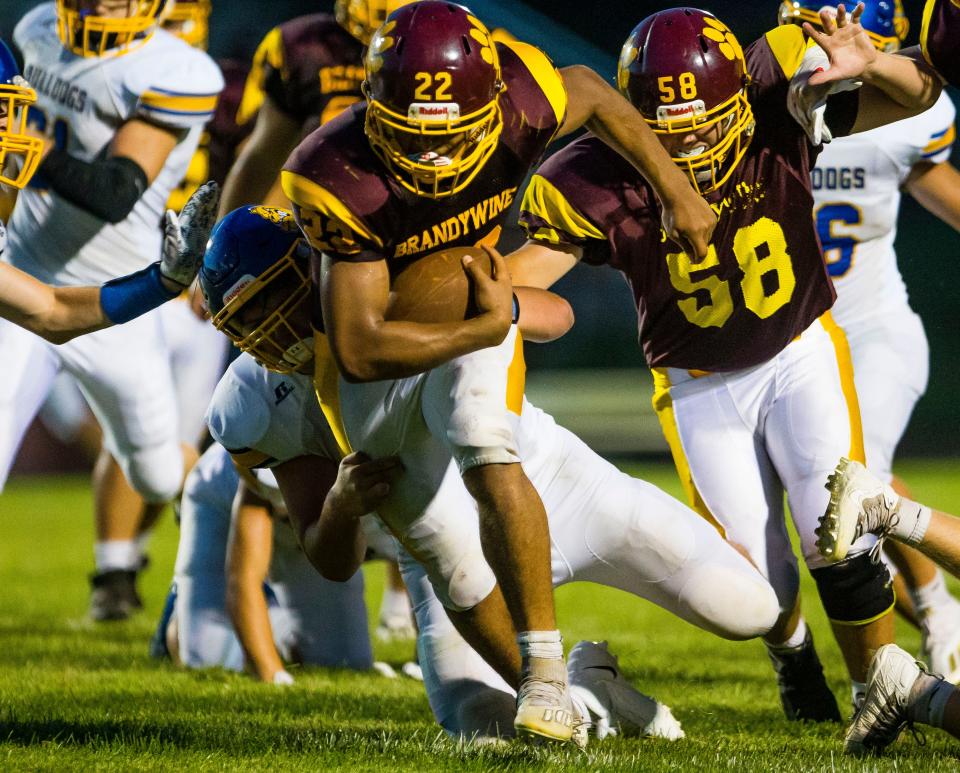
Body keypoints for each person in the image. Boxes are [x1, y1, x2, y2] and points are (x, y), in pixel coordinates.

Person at [282, 0, 716, 743]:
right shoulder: (336, 172)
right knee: (442, 553)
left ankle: (545, 677)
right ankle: (575, 686)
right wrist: (488, 322)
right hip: (387, 368)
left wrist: (676, 189)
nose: (434, 159)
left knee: (488, 439)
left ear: (487, 103)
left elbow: (594, 88)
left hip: (477, 312)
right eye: (415, 138)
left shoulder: (526, 93)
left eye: (450, 136)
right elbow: (359, 346)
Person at [197, 204, 779, 743]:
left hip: (553, 480)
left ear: (312, 269)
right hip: (445, 556)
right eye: (241, 321)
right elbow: (333, 559)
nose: (261, 331)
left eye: (267, 302)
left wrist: (499, 309)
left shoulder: (393, 293)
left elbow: (557, 314)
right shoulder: (254, 401)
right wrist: (341, 505)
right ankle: (589, 694)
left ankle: (574, 682)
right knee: (488, 726)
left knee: (749, 609)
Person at [511, 5, 946, 720]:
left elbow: (919, 93)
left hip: (800, 349)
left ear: (739, 97)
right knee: (755, 588)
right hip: (700, 385)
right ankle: (793, 652)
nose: (693, 142)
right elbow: (532, 266)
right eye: (667, 128)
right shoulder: (592, 177)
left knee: (837, 523)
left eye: (709, 121)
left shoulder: (777, 93)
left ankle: (879, 687)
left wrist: (876, 62)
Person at [2, 0, 223, 621]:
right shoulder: (37, 27)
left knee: (155, 473)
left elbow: (117, 191)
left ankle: (256, 507)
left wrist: (33, 155)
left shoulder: (177, 69)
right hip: (19, 275)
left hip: (112, 303)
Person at [780, 0, 960, 682]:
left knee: (857, 480)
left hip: (873, 329)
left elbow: (924, 175)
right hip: (794, 342)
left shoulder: (912, 115)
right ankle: (936, 611)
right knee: (825, 519)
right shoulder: (770, 106)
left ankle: (937, 620)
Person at [154, 442, 378, 683]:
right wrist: (273, 675)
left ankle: (274, 616)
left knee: (343, 662)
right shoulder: (278, 465)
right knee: (208, 654)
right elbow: (243, 578)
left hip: (311, 524)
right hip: (226, 496)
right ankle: (179, 611)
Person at [218, 0, 420, 215]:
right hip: (321, 207)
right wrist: (226, 233)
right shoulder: (308, 49)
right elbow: (264, 158)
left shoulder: (447, 52)